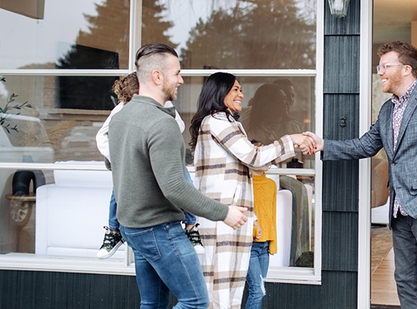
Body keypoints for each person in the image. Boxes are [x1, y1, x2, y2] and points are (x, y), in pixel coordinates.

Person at [304, 41, 417, 308]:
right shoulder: (387, 110)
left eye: (385, 66)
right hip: (400, 212)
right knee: (405, 282)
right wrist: (324, 144)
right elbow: (365, 146)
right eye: (379, 67)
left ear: (406, 69)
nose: (379, 71)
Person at [108, 44, 248, 309]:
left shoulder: (120, 118)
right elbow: (175, 187)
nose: (181, 80)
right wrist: (224, 212)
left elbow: (114, 164)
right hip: (159, 229)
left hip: (133, 229)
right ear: (157, 76)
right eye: (177, 73)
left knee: (152, 303)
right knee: (195, 301)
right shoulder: (162, 123)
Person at [189, 72, 314, 309]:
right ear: (220, 92)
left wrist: (292, 145)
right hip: (222, 219)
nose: (242, 95)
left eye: (240, 89)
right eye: (235, 89)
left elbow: (253, 163)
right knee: (220, 292)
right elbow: (254, 157)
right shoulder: (217, 122)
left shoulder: (225, 122)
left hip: (228, 218)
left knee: (226, 289)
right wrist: (292, 140)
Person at [95, 72, 204, 259]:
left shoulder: (164, 106)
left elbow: (179, 126)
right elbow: (101, 136)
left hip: (161, 156)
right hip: (135, 162)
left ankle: (191, 227)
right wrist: (119, 157)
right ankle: (114, 230)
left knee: (184, 181)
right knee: (117, 190)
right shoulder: (121, 110)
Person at [243, 140, 278, 309]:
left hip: (264, 246)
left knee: (260, 290)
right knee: (257, 290)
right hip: (249, 246)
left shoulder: (271, 184)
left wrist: (273, 243)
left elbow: (272, 216)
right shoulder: (244, 184)